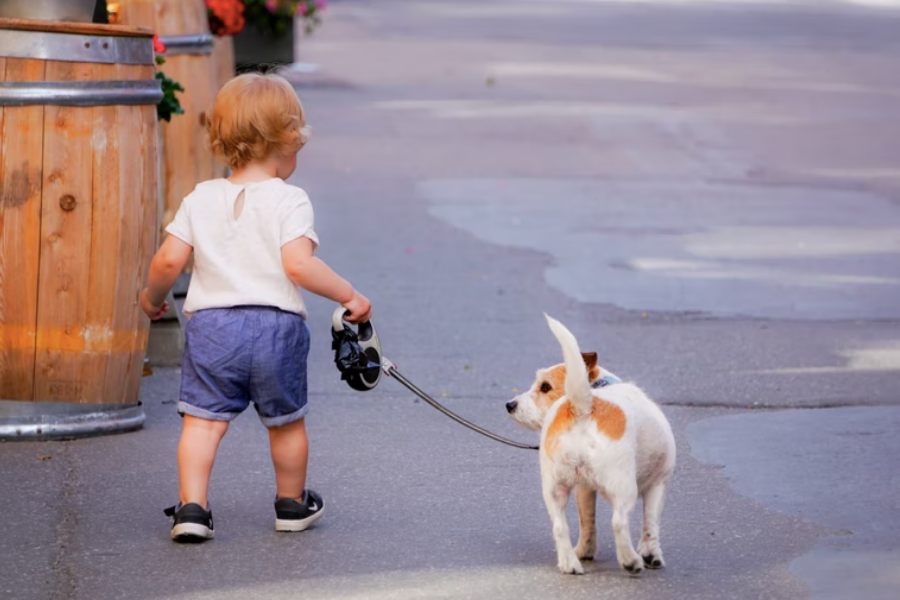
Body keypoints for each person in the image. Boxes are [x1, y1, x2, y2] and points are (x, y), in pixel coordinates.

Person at [140, 72, 371, 543]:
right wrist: (349, 295)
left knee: (203, 424)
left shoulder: (201, 197)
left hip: (212, 329)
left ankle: (192, 509)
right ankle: (291, 503)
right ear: (287, 142)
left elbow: (168, 259)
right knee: (285, 424)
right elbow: (299, 266)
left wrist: (152, 299)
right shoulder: (290, 200)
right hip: (276, 329)